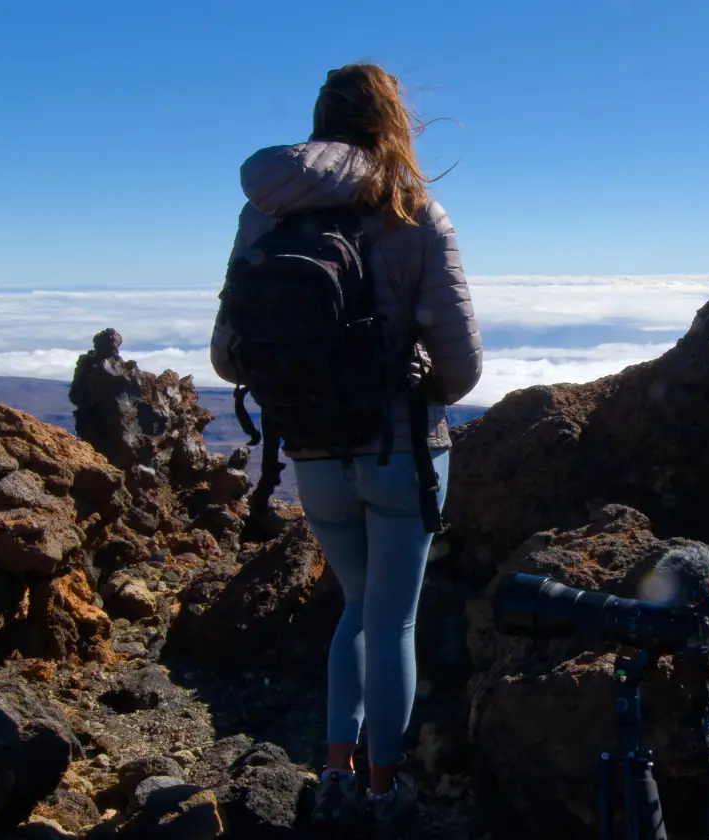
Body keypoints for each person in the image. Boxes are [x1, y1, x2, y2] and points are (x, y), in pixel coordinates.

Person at [209, 63, 480, 834]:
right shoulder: (414, 210)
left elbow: (226, 357)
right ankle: (383, 789)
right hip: (401, 452)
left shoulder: (264, 212)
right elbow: (462, 370)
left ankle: (334, 772)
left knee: (355, 608)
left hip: (313, 453)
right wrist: (414, 373)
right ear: (392, 120)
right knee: (393, 622)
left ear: (320, 121)